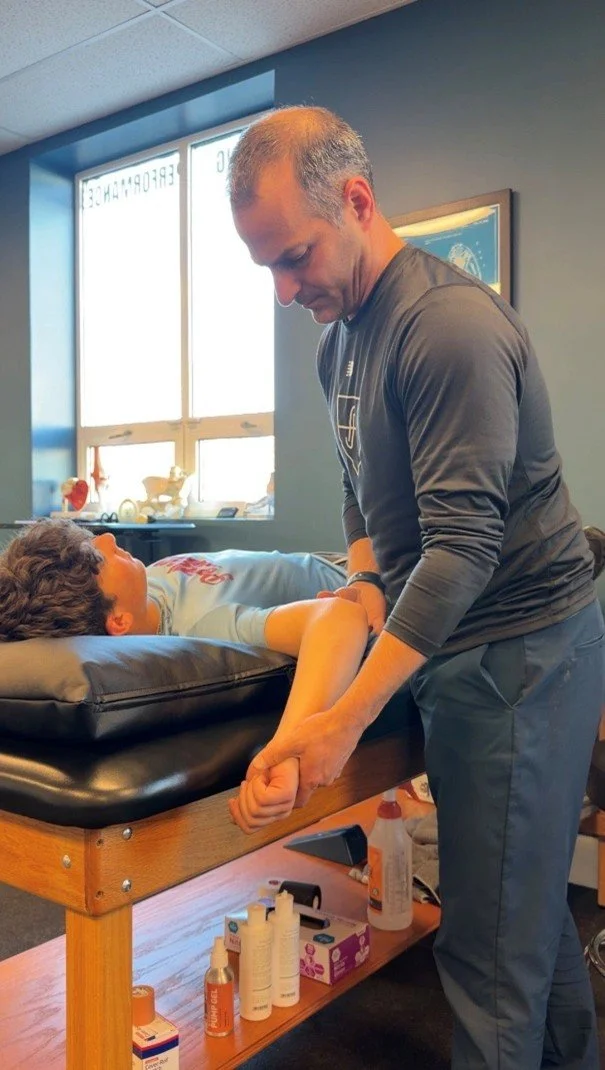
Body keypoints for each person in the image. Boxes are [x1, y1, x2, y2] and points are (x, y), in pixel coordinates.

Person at [227, 105, 605, 1069]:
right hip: (453, 642)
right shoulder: (337, 341)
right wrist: (359, 589)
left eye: (294, 256)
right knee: (518, 915)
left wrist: (346, 717)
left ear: (356, 201)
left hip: (521, 649)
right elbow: (363, 500)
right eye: (264, 265)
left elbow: (461, 549)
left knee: (484, 959)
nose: (282, 289)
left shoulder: (446, 326)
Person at [0, 518, 369, 829]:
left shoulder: (141, 590)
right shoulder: (204, 631)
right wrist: (289, 750)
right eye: (98, 557)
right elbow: (341, 615)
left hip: (356, 559)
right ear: (118, 621)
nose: (108, 538)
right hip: (365, 577)